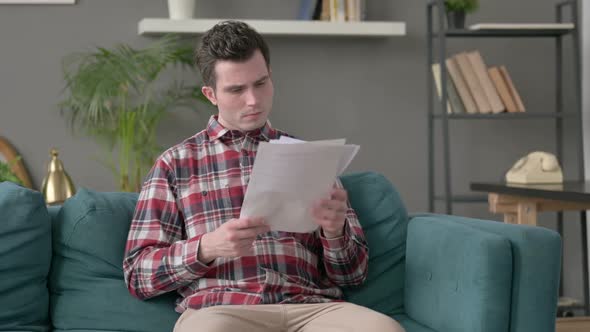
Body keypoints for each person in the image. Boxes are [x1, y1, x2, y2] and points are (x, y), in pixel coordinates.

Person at [123, 20, 404, 332]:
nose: (253, 100)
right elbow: (138, 275)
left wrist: (335, 232)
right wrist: (208, 248)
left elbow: (353, 276)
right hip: (224, 310)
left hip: (310, 307)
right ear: (210, 94)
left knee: (383, 329)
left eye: (260, 83)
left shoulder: (309, 156)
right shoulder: (174, 164)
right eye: (236, 90)